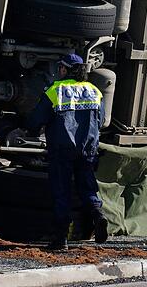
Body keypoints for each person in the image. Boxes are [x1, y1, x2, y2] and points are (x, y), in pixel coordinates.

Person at [26, 53, 108, 251]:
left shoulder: (56, 90)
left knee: (62, 192)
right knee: (87, 188)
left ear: (64, 69)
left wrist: (31, 129)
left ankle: (60, 239)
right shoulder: (94, 91)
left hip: (62, 150)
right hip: (88, 149)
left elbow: (36, 119)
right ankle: (98, 214)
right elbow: (101, 120)